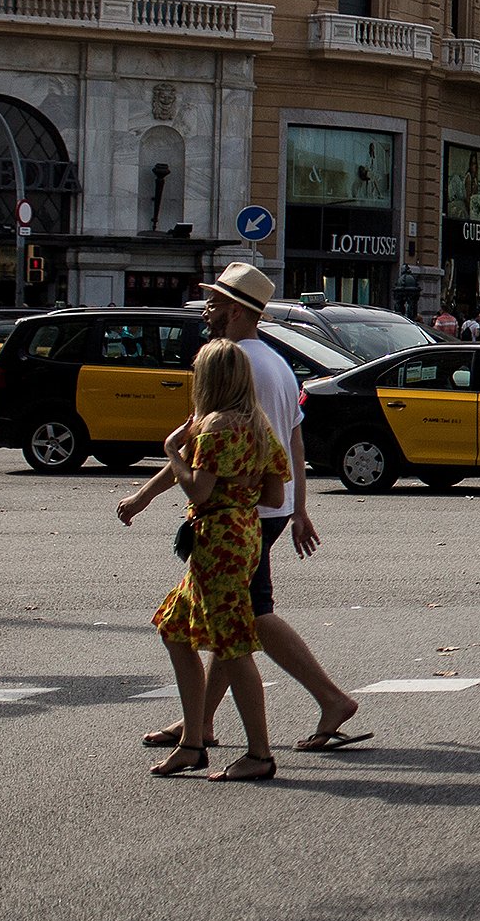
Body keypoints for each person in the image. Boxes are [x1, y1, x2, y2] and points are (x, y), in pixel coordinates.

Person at [146, 265, 363, 754]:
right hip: (270, 507)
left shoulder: (230, 363)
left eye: (215, 302)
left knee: (247, 619)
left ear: (238, 311)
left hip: (237, 517)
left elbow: (201, 446)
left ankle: (323, 703)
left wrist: (148, 492)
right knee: (239, 617)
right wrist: (299, 506)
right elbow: (289, 439)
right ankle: (198, 723)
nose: (207, 311)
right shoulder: (276, 363)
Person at [119, 338, 286, 781]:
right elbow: (274, 494)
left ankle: (259, 753)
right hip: (245, 531)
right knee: (176, 629)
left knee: (232, 645)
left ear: (209, 378)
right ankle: (193, 740)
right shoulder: (257, 425)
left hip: (218, 539)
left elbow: (198, 489)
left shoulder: (215, 426)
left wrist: (172, 451)